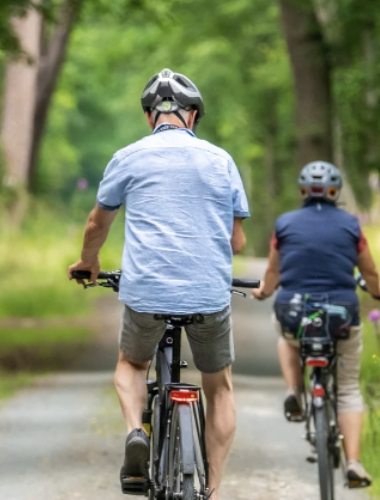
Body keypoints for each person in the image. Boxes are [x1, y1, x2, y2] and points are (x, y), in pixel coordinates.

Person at [68, 68, 250, 499]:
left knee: (131, 364)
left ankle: (136, 432)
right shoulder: (221, 160)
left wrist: (88, 262)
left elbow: (98, 222)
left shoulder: (128, 157)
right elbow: (237, 241)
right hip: (208, 293)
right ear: (194, 117)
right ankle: (215, 489)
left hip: (147, 291)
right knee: (219, 384)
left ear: (151, 117)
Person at [252, 161, 380, 487]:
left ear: (302, 191)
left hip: (295, 313)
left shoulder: (284, 224)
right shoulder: (351, 225)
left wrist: (264, 291)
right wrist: (379, 291)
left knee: (285, 336)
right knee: (350, 388)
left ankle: (294, 391)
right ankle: (353, 463)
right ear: (335, 191)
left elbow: (273, 272)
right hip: (341, 315)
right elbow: (368, 270)